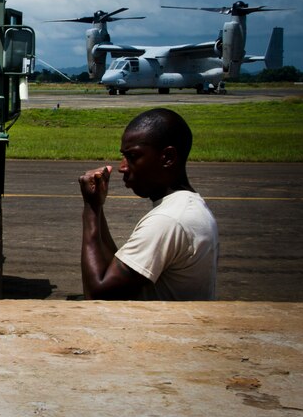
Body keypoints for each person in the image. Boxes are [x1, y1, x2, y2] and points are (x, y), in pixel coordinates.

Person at [78, 108, 218, 300]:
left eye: (133, 156)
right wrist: (98, 206)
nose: (122, 167)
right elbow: (114, 268)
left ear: (167, 157)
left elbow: (97, 294)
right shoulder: (188, 207)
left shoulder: (168, 220)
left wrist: (91, 209)